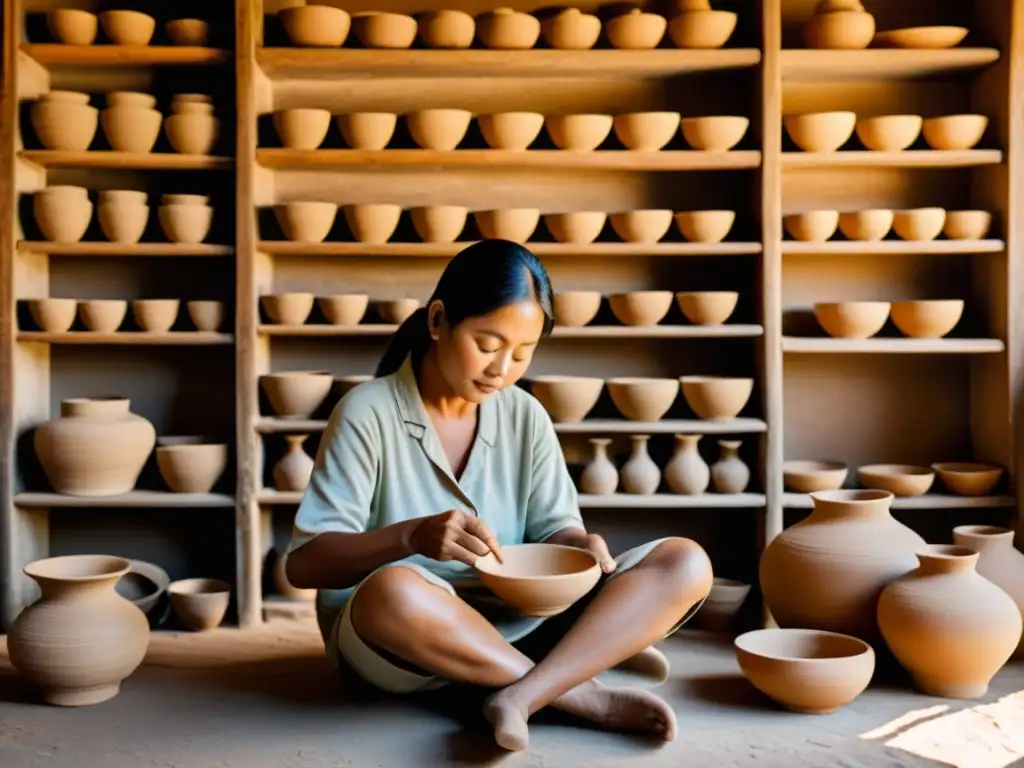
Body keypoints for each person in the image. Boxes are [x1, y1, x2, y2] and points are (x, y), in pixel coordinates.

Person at [284, 239, 714, 751]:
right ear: (439, 320)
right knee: (391, 593)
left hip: (517, 621)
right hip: (401, 640)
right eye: (488, 345)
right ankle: (577, 692)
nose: (502, 369)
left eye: (522, 354)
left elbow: (555, 527)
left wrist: (580, 545)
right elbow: (305, 565)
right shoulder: (366, 412)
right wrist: (412, 536)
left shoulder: (525, 414)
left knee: (684, 563)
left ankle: (519, 692)